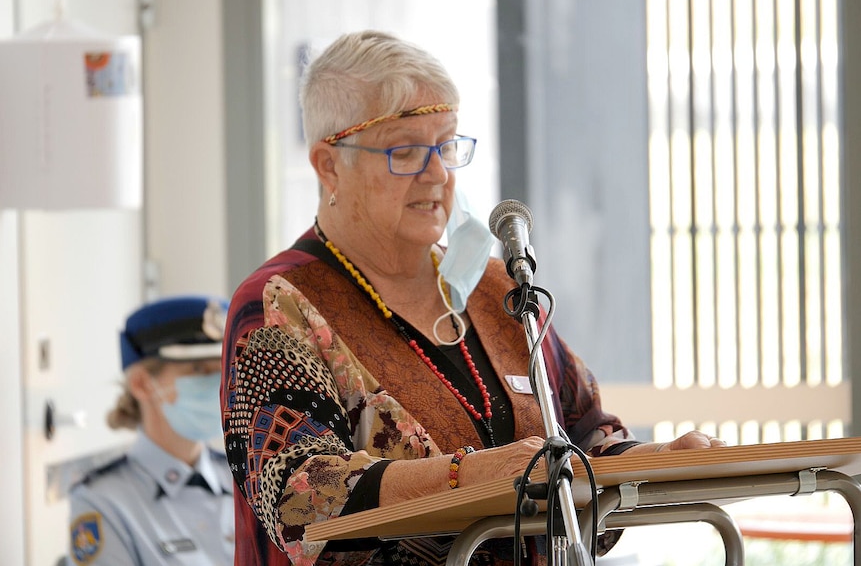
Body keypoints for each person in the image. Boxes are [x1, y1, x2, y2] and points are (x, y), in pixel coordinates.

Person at [221, 30, 725, 566]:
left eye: (446, 145)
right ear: (328, 164)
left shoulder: (496, 288)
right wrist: (466, 477)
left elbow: (582, 433)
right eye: (407, 151)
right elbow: (298, 494)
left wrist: (659, 459)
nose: (437, 174)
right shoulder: (280, 304)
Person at [68, 295, 235, 566]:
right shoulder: (102, 501)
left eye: (223, 370)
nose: (219, 386)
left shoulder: (244, 480)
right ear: (142, 384)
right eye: (198, 369)